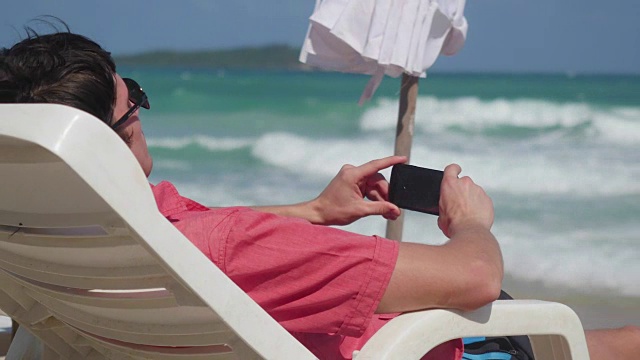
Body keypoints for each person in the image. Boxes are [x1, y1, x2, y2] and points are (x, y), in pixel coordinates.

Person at [1, 26, 638, 360]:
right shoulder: (233, 248)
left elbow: (200, 233)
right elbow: (472, 276)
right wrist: (472, 223)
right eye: (132, 98)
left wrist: (313, 211)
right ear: (119, 133)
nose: (141, 104)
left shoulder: (63, 234)